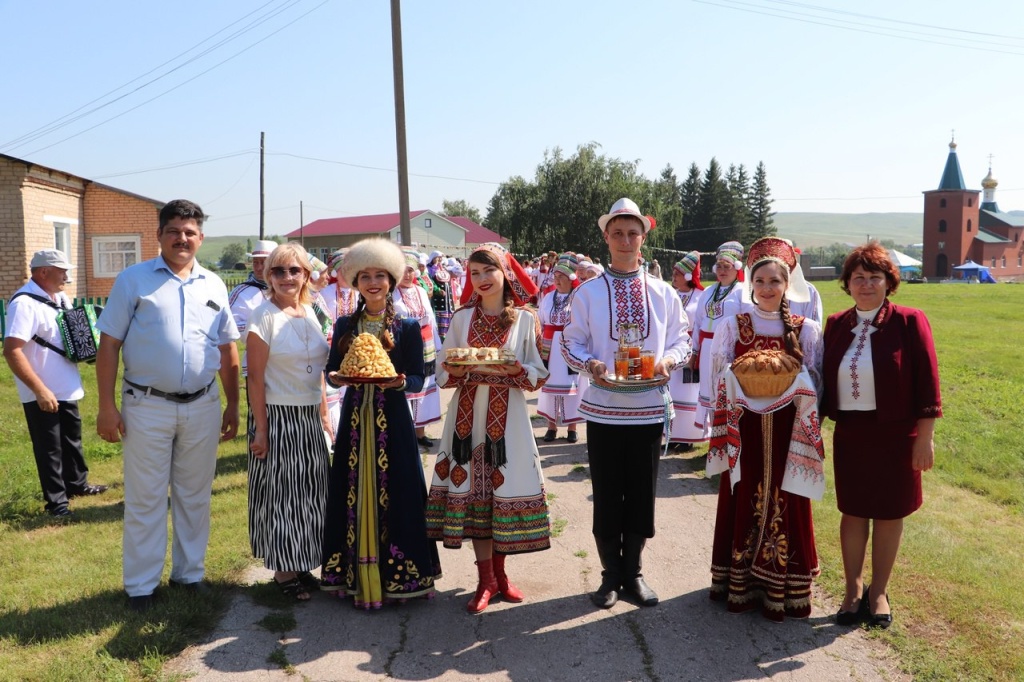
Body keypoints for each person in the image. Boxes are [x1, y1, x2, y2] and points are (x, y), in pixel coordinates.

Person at [95, 199, 240, 613]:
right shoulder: (133, 280)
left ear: (201, 238)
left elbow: (229, 348)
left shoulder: (214, 284)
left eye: (190, 232)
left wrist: (233, 405)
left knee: (195, 496)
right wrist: (107, 407)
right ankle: (141, 586)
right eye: (174, 230)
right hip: (146, 405)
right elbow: (109, 346)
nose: (182, 238)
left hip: (203, 404)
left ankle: (189, 575)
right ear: (159, 235)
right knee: (146, 497)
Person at [562, 198, 692, 610]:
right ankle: (609, 576)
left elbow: (682, 339)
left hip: (650, 406)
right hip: (603, 408)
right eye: (617, 232)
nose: (625, 239)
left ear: (643, 237)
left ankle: (633, 573)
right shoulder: (587, 293)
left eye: (632, 232)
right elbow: (569, 342)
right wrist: (592, 364)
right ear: (606, 237)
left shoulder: (663, 292)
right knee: (606, 492)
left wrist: (670, 360)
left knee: (641, 494)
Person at [426, 242, 551, 614]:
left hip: (508, 421)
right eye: (474, 273)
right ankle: (486, 581)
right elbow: (442, 367)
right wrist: (455, 371)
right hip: (466, 420)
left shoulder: (527, 320)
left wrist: (518, 371)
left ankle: (502, 574)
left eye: (488, 271)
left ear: (505, 273)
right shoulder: (462, 318)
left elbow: (539, 372)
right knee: (474, 496)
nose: (481, 279)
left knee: (501, 492)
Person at [821, 242, 941, 629]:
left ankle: (879, 592)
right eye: (859, 277)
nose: (866, 284)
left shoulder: (910, 321)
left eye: (875, 277)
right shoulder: (837, 324)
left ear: (889, 282)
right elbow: (822, 380)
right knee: (853, 511)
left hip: (897, 435)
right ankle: (853, 590)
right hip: (852, 435)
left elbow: (928, 383)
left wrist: (925, 437)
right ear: (848, 284)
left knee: (890, 514)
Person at [705, 237, 824, 622]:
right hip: (746, 426)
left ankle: (784, 585)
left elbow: (815, 381)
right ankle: (737, 579)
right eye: (760, 281)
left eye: (775, 281)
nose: (767, 288)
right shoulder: (732, 324)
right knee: (744, 491)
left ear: (787, 284)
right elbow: (719, 374)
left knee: (785, 495)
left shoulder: (805, 330)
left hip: (787, 426)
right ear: (750, 284)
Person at [320, 238, 441, 609]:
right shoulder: (343, 324)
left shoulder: (406, 327)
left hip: (394, 420)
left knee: (400, 490)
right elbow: (329, 373)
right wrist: (338, 378)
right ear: (355, 283)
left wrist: (399, 381)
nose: (373, 283)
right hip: (355, 419)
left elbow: (420, 378)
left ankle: (401, 579)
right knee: (351, 489)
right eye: (365, 277)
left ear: (391, 280)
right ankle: (352, 575)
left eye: (380, 276)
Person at [246, 244, 331, 601]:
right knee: (283, 495)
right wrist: (262, 429)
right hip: (277, 415)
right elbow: (254, 377)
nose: (287, 278)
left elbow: (320, 370)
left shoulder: (312, 311)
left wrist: (325, 414)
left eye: (294, 271)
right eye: (278, 271)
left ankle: (303, 563)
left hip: (310, 413)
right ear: (268, 276)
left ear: (306, 275)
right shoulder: (262, 316)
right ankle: (284, 572)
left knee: (312, 492)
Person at [3, 249, 108, 518]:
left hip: (65, 385)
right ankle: (57, 503)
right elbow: (12, 350)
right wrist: (39, 389)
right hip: (42, 389)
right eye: (62, 270)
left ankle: (77, 485)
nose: (67, 275)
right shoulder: (24, 304)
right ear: (43, 272)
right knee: (49, 446)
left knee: (71, 440)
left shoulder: (59, 297)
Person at [692, 241, 747, 439]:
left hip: (729, 349)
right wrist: (695, 352)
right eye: (720, 266)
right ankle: (715, 439)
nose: (722, 270)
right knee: (709, 391)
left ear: (736, 268)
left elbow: (747, 323)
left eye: (727, 266)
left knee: (726, 391)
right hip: (707, 349)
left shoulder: (742, 292)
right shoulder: (708, 292)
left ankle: (730, 438)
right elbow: (698, 323)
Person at [394, 250, 443, 448]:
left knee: (424, 385)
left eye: (411, 271)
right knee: (407, 386)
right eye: (403, 271)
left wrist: (438, 345)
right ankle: (405, 433)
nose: (407, 275)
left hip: (426, 342)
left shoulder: (421, 291)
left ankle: (420, 432)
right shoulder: (391, 293)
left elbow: (431, 318)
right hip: (404, 345)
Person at [537, 253, 585, 443]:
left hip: (570, 347)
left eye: (561, 277)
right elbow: (540, 320)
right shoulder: (548, 297)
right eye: (555, 277)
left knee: (571, 387)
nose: (556, 280)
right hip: (550, 347)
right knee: (549, 387)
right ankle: (551, 426)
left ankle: (572, 428)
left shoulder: (579, 297)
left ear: (570, 278)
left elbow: (583, 323)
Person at [666, 251, 705, 451]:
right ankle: (672, 434)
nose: (674, 276)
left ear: (689, 276)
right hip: (671, 347)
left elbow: (700, 324)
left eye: (678, 273)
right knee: (672, 391)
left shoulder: (700, 296)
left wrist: (695, 352)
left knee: (688, 392)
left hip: (690, 348)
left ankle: (688, 436)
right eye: (673, 273)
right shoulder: (672, 294)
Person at [228, 239, 275, 378]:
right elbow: (231, 327)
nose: (259, 267)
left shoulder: (287, 289)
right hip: (256, 363)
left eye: (264, 262)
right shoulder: (241, 292)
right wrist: (266, 326)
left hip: (287, 365)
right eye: (256, 263)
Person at [427, 251, 455, 341]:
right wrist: (438, 290)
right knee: (440, 326)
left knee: (448, 325)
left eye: (440, 258)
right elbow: (431, 283)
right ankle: (440, 341)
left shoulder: (443, 268)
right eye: (437, 257)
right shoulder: (430, 270)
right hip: (439, 303)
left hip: (448, 303)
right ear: (433, 258)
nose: (439, 259)